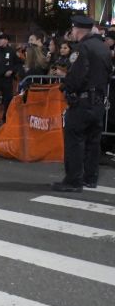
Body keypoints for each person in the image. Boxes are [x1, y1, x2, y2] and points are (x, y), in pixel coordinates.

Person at [52, 15, 112, 192]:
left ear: (77, 30)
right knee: (93, 142)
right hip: (99, 102)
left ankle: (73, 180)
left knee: (74, 141)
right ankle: (90, 178)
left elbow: (77, 76)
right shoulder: (103, 48)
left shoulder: (82, 48)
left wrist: (66, 87)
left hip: (82, 102)